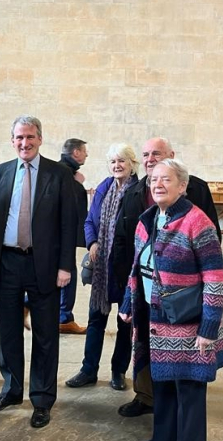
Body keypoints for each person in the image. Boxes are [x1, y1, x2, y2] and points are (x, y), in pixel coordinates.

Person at [118, 158, 223, 441]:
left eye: (166, 179)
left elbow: (216, 278)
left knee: (189, 394)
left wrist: (209, 328)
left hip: (188, 327)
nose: (158, 184)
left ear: (182, 186)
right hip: (154, 323)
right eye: (153, 179)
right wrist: (129, 303)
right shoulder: (148, 219)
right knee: (162, 392)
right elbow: (138, 266)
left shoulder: (197, 222)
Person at [0, 115, 76, 429]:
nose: (25, 143)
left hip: (45, 265)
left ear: (40, 139)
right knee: (8, 331)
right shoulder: (0, 173)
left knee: (46, 334)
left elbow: (68, 224)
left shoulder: (59, 174)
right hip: (7, 263)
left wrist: (66, 266)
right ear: (12, 141)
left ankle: (42, 398)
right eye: (19, 137)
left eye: (30, 137)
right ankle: (10, 390)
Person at [65, 143, 139, 391]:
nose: (117, 166)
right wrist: (93, 242)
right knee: (96, 320)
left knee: (124, 323)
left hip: (126, 267)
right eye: (113, 161)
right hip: (102, 269)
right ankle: (88, 370)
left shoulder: (138, 191)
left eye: (122, 161)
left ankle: (119, 371)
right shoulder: (104, 188)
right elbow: (89, 220)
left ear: (132, 164)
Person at [57, 137, 88, 334]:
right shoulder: (66, 174)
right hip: (63, 235)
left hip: (59, 234)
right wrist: (79, 184)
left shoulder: (66, 172)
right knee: (68, 273)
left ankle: (28, 303)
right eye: (84, 151)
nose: (86, 154)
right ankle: (64, 317)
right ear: (75, 152)